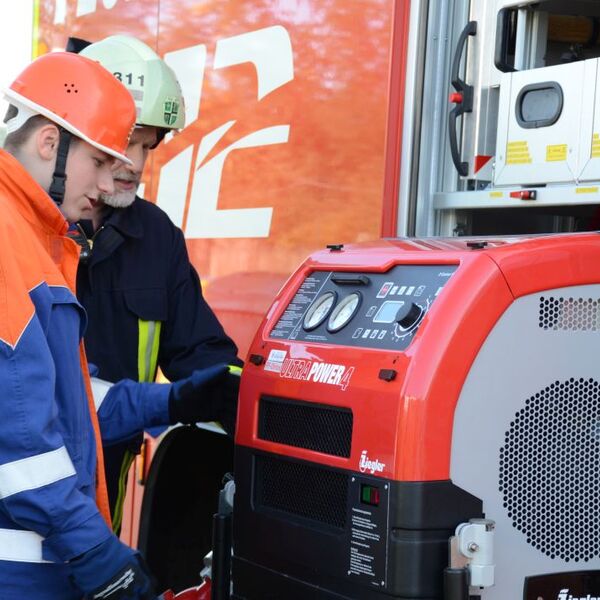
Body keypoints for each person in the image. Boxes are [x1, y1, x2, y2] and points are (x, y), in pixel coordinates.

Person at [0, 51, 234, 599]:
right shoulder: (9, 240)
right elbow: (18, 441)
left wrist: (168, 403)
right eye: (102, 160)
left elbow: (67, 400)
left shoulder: (37, 239)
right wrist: (95, 550)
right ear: (50, 143)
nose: (112, 181)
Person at [71, 35, 243, 532]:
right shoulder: (26, 229)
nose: (137, 164)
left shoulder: (155, 236)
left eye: (147, 144)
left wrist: (268, 419)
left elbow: (204, 357)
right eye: (124, 139)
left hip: (102, 512)